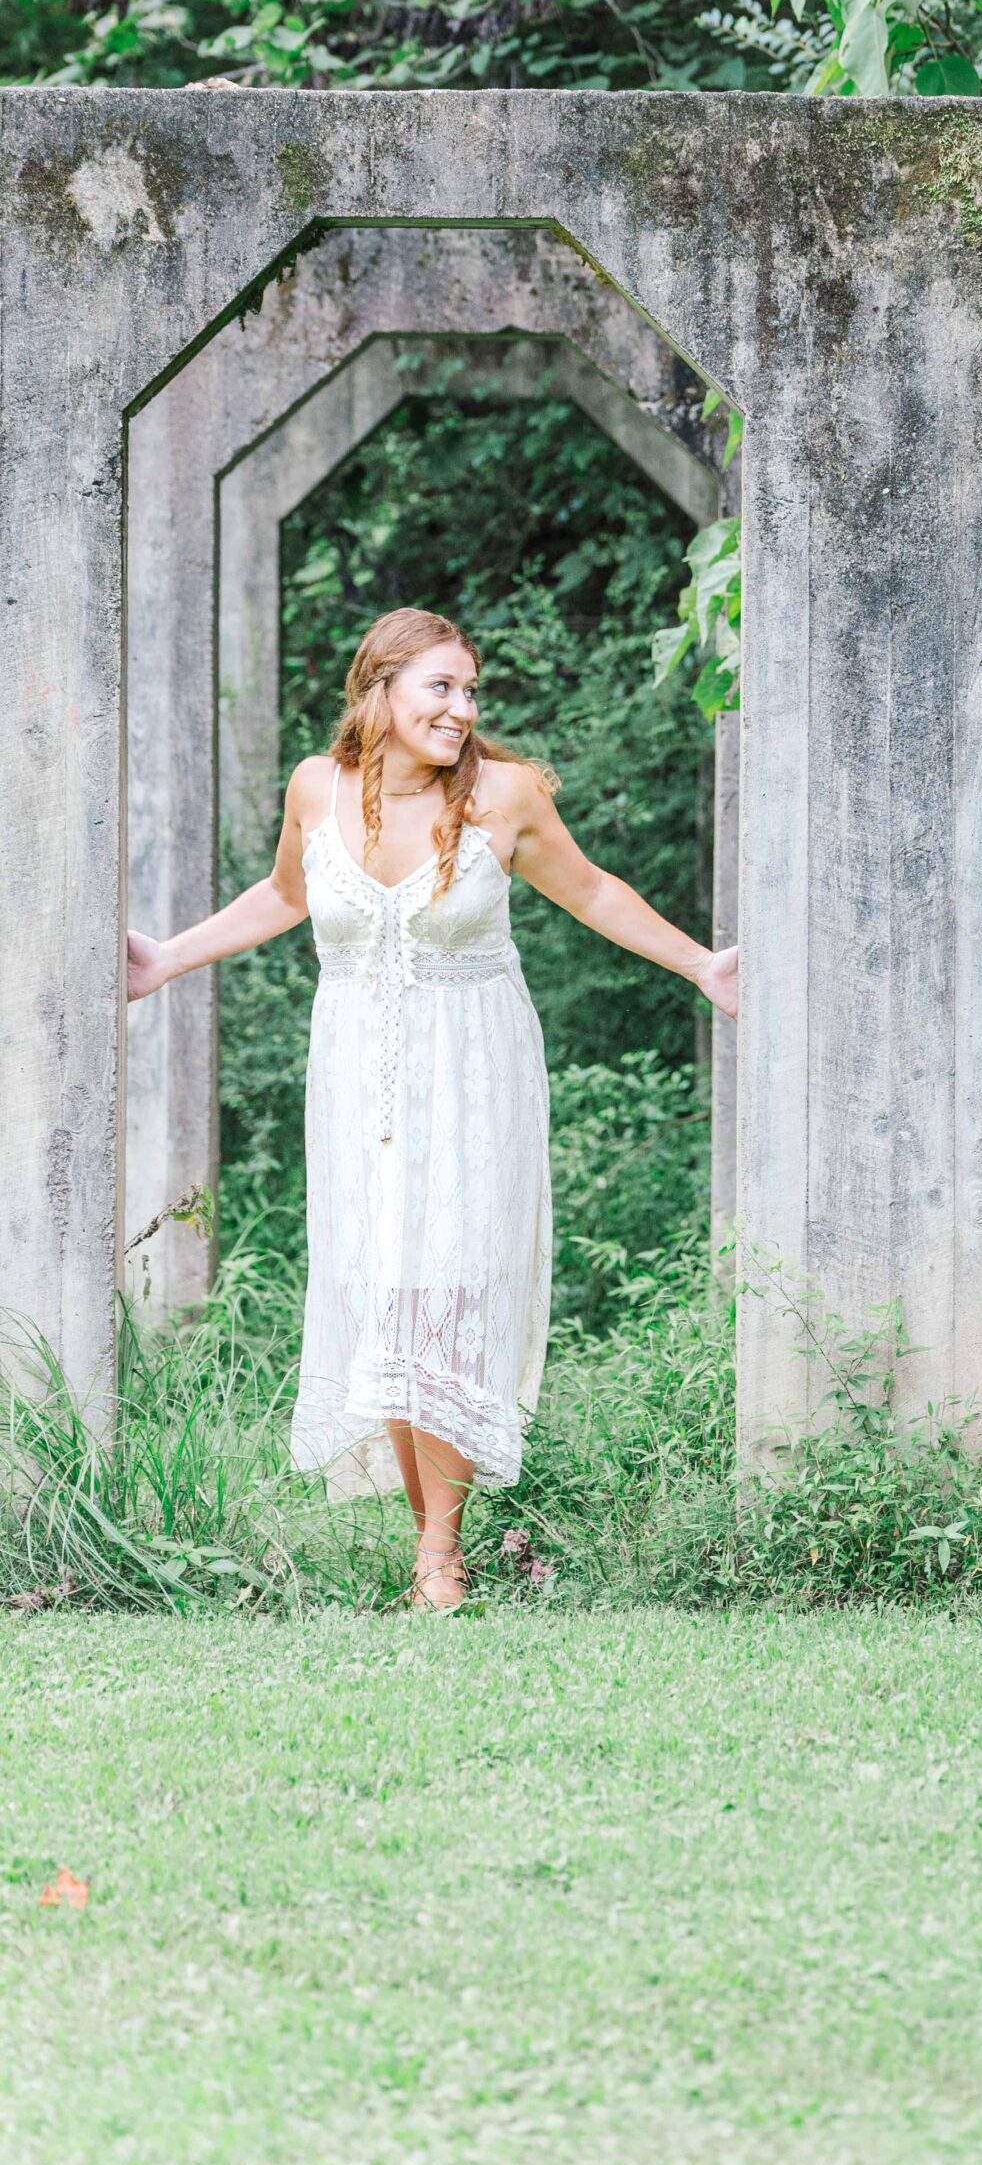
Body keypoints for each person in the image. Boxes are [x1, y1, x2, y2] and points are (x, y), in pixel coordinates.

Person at [128, 607, 737, 1610]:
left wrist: (703, 964)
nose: (463, 709)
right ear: (379, 691)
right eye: (441, 688)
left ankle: (439, 1555)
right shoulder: (317, 790)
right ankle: (432, 1541)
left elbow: (594, 893)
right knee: (390, 1297)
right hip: (355, 1076)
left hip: (473, 1072)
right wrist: (165, 958)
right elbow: (283, 896)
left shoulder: (506, 796)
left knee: (447, 1295)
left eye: (471, 690)